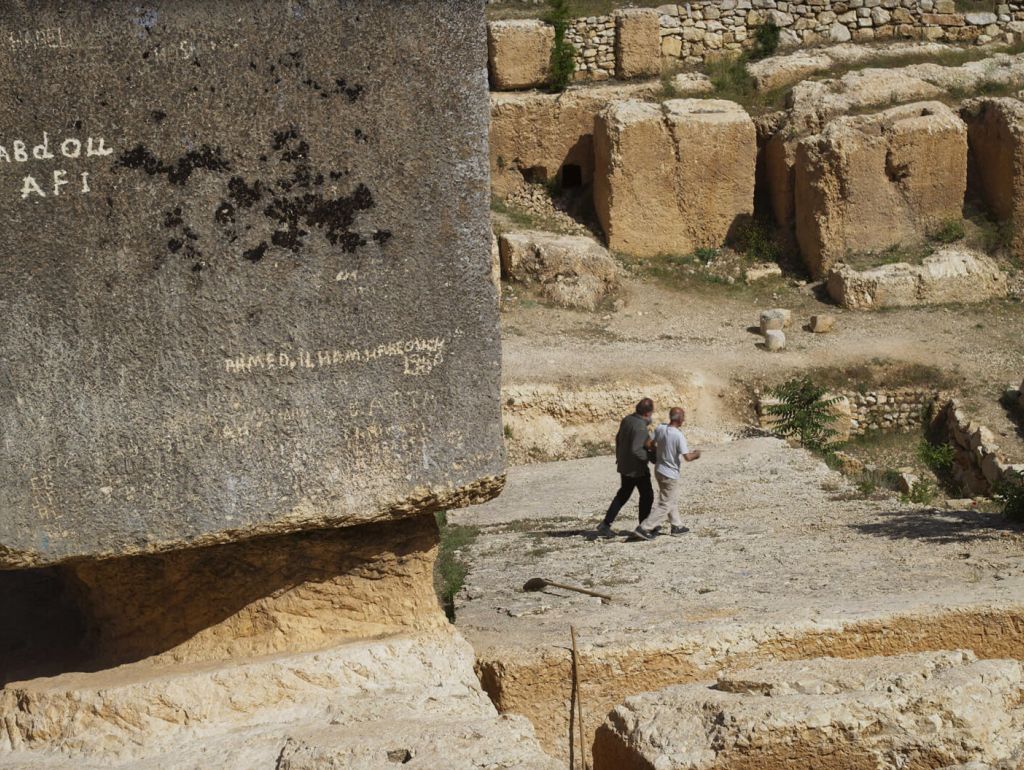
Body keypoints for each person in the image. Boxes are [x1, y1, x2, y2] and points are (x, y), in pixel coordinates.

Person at [632, 406, 701, 541]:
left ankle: (677, 526)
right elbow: (687, 457)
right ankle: (645, 527)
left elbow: (648, 443)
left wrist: (659, 451)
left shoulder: (660, 428)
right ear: (680, 419)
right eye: (683, 417)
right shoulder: (678, 435)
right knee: (665, 503)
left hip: (659, 469)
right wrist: (697, 454)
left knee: (670, 498)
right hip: (670, 473)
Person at [596, 398, 655, 537]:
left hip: (625, 465)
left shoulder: (627, 420)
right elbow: (637, 449)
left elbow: (618, 439)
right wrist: (650, 458)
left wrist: (620, 457)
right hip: (636, 469)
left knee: (623, 494)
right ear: (647, 413)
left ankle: (605, 524)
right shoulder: (640, 426)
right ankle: (644, 526)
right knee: (647, 496)